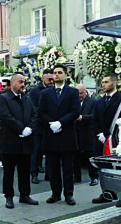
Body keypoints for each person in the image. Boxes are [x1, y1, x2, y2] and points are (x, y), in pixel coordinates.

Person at [38, 64, 80, 206]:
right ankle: (55, 194)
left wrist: (61, 123)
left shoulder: (72, 92)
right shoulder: (45, 93)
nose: (56, 75)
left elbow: (75, 111)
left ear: (65, 75)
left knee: (68, 168)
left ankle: (69, 194)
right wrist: (51, 123)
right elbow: (41, 112)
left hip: (66, 134)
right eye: (55, 73)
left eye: (60, 72)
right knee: (53, 168)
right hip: (51, 135)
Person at [0, 74, 38, 209]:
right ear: (13, 83)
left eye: (24, 82)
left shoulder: (26, 98)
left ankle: (25, 195)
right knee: (9, 171)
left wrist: (30, 128)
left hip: (25, 142)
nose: (23, 84)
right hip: (10, 141)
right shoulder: (3, 98)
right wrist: (21, 129)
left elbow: (34, 114)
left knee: (24, 170)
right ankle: (9, 196)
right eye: (20, 82)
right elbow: (5, 116)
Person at [91, 73, 121, 205]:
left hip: (115, 139)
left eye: (106, 82)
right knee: (103, 167)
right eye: (103, 82)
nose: (103, 85)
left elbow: (120, 119)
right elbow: (94, 119)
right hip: (100, 140)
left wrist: (106, 134)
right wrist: (98, 134)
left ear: (114, 83)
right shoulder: (100, 101)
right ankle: (106, 192)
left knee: (118, 167)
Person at [28, 69, 54, 184]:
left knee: (50, 152)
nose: (51, 81)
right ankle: (34, 173)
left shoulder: (55, 90)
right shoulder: (35, 92)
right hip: (39, 126)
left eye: (52, 79)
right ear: (43, 78)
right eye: (49, 79)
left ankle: (49, 174)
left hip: (52, 126)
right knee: (36, 150)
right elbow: (34, 109)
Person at [74, 84, 97, 185]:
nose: (79, 95)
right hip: (75, 132)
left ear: (85, 92)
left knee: (90, 156)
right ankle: (76, 177)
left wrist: (82, 117)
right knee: (75, 156)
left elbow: (95, 116)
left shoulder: (93, 102)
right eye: (77, 93)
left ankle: (94, 177)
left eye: (81, 93)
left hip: (88, 132)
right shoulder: (73, 102)